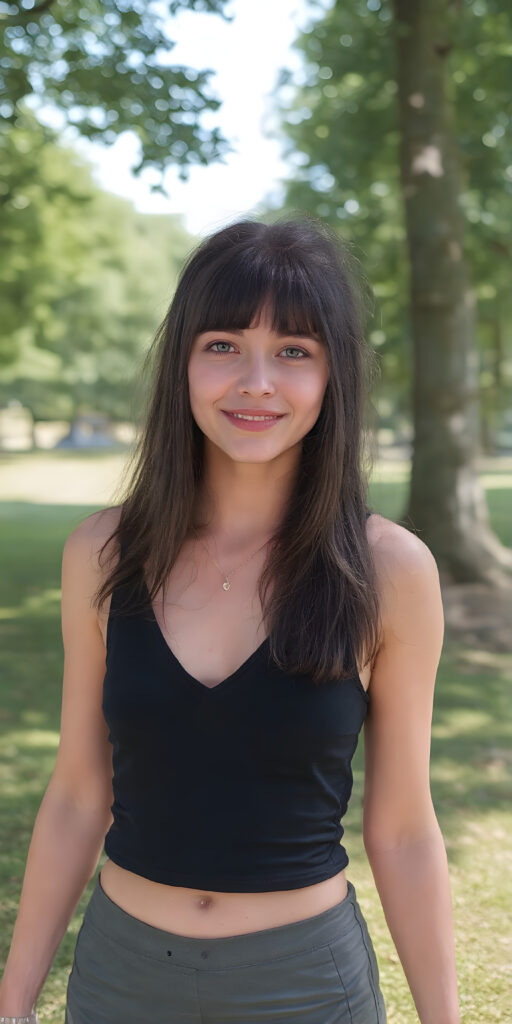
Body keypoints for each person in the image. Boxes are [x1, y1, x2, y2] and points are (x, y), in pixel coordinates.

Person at [0, 216, 461, 1024]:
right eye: (222, 345)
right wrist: (12, 999)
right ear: (182, 361)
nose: (256, 381)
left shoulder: (389, 570)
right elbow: (78, 793)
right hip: (120, 979)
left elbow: (404, 830)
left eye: (294, 351)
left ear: (333, 378)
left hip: (307, 985)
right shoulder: (103, 553)